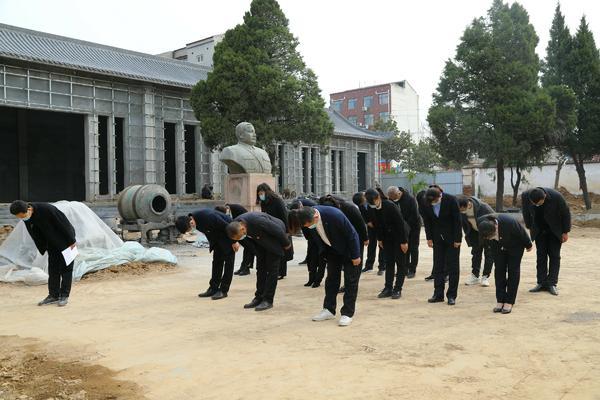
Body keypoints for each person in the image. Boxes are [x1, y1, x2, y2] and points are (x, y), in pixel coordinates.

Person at [289, 206, 361, 326]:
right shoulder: (308, 217)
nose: (308, 227)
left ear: (316, 217)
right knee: (331, 280)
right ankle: (329, 309)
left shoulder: (334, 215)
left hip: (349, 250)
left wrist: (355, 255)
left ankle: (347, 313)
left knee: (350, 281)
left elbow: (352, 234)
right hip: (332, 250)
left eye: (309, 224)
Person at [10, 200, 77, 307]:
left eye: (22, 216)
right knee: (53, 268)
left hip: (66, 242)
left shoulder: (47, 209)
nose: (22, 218)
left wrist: (72, 240)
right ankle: (53, 295)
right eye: (19, 217)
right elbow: (34, 232)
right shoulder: (27, 217)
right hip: (51, 243)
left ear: (29, 209)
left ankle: (64, 295)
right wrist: (43, 247)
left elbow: (64, 223)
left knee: (66, 269)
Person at [226, 212, 292, 311]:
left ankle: (268, 300)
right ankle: (259, 297)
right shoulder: (236, 224)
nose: (241, 239)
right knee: (260, 269)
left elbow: (277, 230)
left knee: (272, 270)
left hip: (274, 237)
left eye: (240, 236)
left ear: (243, 229)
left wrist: (287, 244)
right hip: (260, 240)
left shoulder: (258, 221)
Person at [176, 209, 238, 300]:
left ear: (190, 222)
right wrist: (213, 246)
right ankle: (213, 288)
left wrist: (234, 241)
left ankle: (223, 290)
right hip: (217, 238)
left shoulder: (208, 216)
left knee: (228, 263)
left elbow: (227, 226)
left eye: (189, 228)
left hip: (229, 234)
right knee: (216, 262)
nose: (191, 230)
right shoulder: (194, 221)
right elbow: (208, 232)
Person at [478, 213, 533, 314]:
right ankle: (500, 300)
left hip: (515, 246)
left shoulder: (508, 222)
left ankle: (509, 301)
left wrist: (528, 245)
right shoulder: (483, 224)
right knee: (499, 271)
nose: (490, 238)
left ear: (496, 226)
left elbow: (521, 232)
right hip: (497, 247)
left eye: (491, 236)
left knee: (513, 271)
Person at [521, 187, 571, 296]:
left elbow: (566, 213)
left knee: (554, 256)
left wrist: (565, 232)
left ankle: (552, 283)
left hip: (554, 229)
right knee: (541, 256)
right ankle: (541, 282)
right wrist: (529, 227)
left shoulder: (557, 197)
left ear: (544, 197)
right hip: (539, 230)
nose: (537, 205)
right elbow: (525, 211)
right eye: (535, 204)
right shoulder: (525, 196)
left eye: (539, 203)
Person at [365, 189, 409, 300]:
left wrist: (403, 242)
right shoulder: (372, 207)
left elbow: (400, 224)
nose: (371, 205)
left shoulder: (390, 206)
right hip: (386, 238)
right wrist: (379, 239)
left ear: (378, 198)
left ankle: (398, 288)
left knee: (400, 263)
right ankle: (388, 288)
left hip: (399, 237)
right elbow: (377, 224)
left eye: (372, 202)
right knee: (389, 263)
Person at [421, 186, 462, 305]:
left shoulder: (451, 200)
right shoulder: (427, 202)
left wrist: (457, 239)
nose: (432, 203)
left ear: (440, 196)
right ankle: (438, 294)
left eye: (434, 201)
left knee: (453, 267)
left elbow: (457, 221)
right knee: (438, 266)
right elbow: (427, 221)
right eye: (430, 202)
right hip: (437, 239)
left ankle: (451, 295)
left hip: (452, 239)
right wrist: (429, 238)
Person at [456, 195, 495, 287]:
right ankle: (475, 276)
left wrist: (491, 234)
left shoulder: (483, 207)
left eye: (462, 209)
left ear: (468, 204)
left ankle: (485, 277)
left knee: (489, 254)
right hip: (474, 233)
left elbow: (494, 220)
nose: (461, 212)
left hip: (487, 233)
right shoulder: (460, 208)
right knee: (476, 253)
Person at [257, 183, 291, 279]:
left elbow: (284, 216)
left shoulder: (277, 201)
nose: (260, 195)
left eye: (261, 193)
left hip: (280, 227)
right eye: (259, 194)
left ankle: (281, 272)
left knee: (281, 250)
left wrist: (287, 231)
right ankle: (274, 270)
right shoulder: (264, 202)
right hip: (270, 228)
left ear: (267, 192)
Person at [387, 186, 422, 279]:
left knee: (413, 247)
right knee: (404, 247)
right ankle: (404, 269)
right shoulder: (392, 199)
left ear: (398, 193)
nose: (393, 200)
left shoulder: (410, 199)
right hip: (402, 227)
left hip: (413, 226)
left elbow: (414, 215)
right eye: (392, 199)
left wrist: (405, 226)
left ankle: (412, 269)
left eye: (394, 198)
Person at [290, 199, 324, 288]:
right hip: (311, 240)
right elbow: (306, 232)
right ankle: (311, 278)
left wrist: (321, 248)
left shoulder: (310, 209)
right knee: (311, 260)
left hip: (320, 239)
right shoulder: (299, 218)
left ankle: (318, 280)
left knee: (321, 259)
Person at [216, 204, 255, 276]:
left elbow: (245, 219)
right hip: (237, 232)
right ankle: (243, 267)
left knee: (249, 248)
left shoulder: (236, 208)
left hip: (244, 231)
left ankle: (246, 268)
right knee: (247, 248)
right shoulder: (227, 210)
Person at [353, 192, 386, 275]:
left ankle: (382, 267)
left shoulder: (373, 199)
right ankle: (369, 265)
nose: (363, 203)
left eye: (363, 200)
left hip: (380, 226)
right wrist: (367, 222)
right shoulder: (360, 204)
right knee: (371, 245)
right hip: (371, 226)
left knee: (381, 245)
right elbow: (363, 214)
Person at [416, 189, 435, 281]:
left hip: (443, 231)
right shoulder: (422, 209)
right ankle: (435, 273)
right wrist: (429, 238)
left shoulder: (434, 204)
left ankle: (445, 274)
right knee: (437, 254)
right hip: (434, 231)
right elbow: (427, 223)